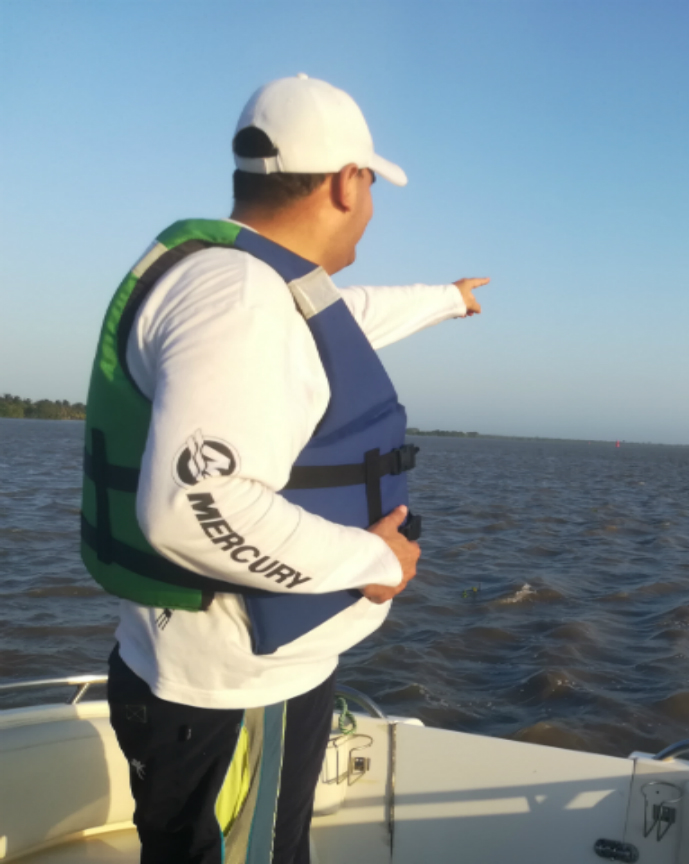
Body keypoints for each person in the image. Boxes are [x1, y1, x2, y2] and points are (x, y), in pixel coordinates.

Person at [79, 74, 488, 864]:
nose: (370, 205)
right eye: (371, 186)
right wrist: (375, 563)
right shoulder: (238, 299)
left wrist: (446, 299)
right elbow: (192, 505)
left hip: (236, 670)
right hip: (232, 685)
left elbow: (345, 319)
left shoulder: (240, 280)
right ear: (346, 182)